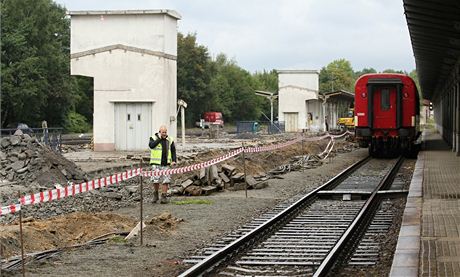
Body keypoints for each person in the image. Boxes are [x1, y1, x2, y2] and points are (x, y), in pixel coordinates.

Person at [149, 125, 177, 204]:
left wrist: (174, 160)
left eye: (165, 132)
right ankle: (156, 195)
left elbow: (173, 151)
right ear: (159, 132)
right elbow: (151, 146)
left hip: (166, 164)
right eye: (163, 132)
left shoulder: (170, 139)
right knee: (155, 180)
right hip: (156, 163)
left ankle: (164, 196)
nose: (164, 134)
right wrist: (160, 139)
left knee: (166, 180)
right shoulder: (153, 138)